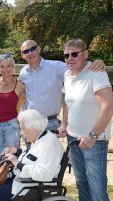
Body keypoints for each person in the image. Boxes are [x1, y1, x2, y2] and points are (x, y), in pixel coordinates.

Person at [58, 38, 113, 201]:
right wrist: (64, 124)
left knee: (97, 189)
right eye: (66, 55)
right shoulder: (68, 75)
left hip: (94, 141)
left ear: (85, 54)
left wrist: (93, 136)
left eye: (74, 54)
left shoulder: (96, 73)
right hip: (73, 139)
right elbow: (68, 103)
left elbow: (108, 107)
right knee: (82, 184)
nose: (70, 58)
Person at [0, 109, 64, 201]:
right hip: (21, 182)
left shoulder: (49, 144)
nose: (21, 133)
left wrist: (17, 164)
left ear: (33, 127)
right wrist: (15, 151)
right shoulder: (40, 138)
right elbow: (33, 155)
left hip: (30, 187)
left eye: (23, 129)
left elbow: (45, 174)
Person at [0, 54, 25, 167]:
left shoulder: (19, 84)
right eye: (2, 66)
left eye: (8, 66)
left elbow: (28, 102)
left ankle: (12, 184)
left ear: (13, 67)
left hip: (12, 125)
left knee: (13, 159)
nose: (5, 69)